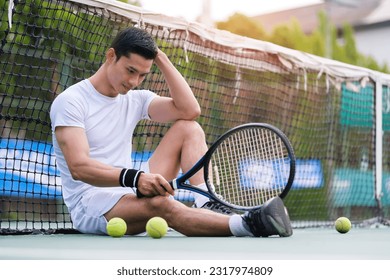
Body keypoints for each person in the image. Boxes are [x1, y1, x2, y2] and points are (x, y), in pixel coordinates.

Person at [50, 27, 292, 237]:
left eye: (143, 75)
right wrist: (137, 178)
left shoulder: (136, 99)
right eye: (130, 70)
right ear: (111, 56)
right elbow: (79, 167)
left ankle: (207, 203)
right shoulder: (71, 101)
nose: (135, 81)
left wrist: (161, 58)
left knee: (189, 128)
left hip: (129, 185)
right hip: (91, 203)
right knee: (163, 205)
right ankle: (250, 224)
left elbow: (190, 110)